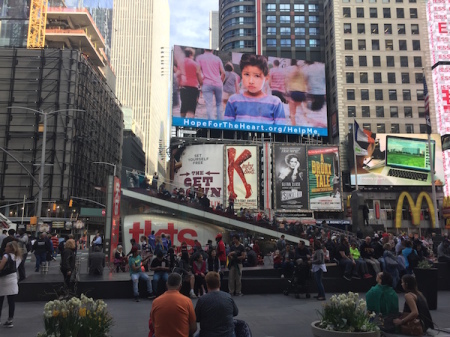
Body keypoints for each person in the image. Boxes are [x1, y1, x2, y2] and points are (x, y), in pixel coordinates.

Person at [224, 54, 285, 124]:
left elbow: (281, 131)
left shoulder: (275, 103)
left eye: (257, 76)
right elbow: (227, 130)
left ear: (266, 77)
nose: (251, 81)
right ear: (242, 74)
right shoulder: (233, 101)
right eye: (246, 74)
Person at [150, 273, 197, 337]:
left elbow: (154, 324)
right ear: (180, 286)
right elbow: (193, 327)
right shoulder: (187, 301)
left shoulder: (156, 301)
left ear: (167, 285)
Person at [195, 271, 239, 337]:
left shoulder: (202, 300)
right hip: (228, 334)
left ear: (207, 285)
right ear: (219, 283)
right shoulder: (228, 297)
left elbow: (197, 318)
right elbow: (235, 312)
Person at [196, 49, 225, 120]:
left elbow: (197, 72)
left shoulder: (199, 57)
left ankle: (211, 123)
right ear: (212, 50)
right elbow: (223, 73)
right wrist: (221, 82)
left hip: (207, 83)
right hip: (218, 83)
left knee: (209, 104)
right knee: (219, 104)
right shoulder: (217, 59)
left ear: (204, 49)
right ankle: (220, 121)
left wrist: (201, 83)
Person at [0, 241, 22, 328]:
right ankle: (10, 320)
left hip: (3, 279)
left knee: (0, 300)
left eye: (6, 247)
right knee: (11, 301)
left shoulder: (6, 256)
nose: (5, 248)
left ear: (10, 248)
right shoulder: (18, 257)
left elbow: (1, 267)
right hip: (13, 279)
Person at [178, 47, 203, 118]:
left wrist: (179, 84)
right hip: (193, 88)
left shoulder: (181, 63)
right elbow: (198, 74)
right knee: (192, 107)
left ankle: (181, 122)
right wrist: (201, 84)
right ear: (191, 54)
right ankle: (190, 124)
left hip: (183, 87)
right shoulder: (195, 64)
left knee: (183, 105)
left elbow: (179, 74)